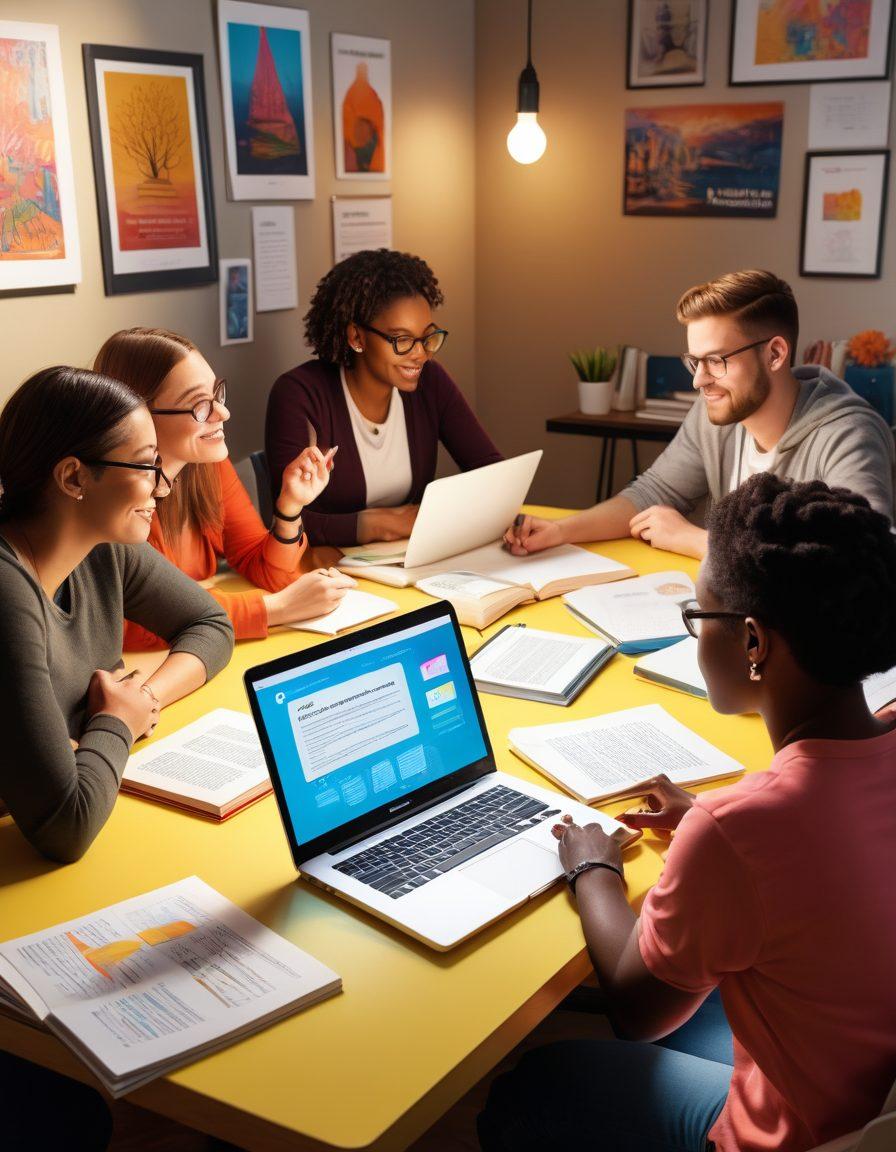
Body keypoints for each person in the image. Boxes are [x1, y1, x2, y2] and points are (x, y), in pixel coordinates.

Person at [480, 473, 896, 1152]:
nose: (695, 636)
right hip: (868, 1097)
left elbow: (637, 1010)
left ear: (754, 643)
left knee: (532, 1086)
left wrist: (594, 869)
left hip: (794, 1138)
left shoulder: (741, 830)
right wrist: (711, 822)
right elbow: (819, 850)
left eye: (698, 617)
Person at [0, 366, 234, 863]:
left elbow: (211, 625)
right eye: (146, 466)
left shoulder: (101, 543)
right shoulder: (5, 589)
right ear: (74, 477)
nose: (162, 486)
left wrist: (137, 701)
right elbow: (66, 828)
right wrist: (117, 724)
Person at [505, 269, 895, 560]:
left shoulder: (848, 435)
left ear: (775, 353)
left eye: (716, 360)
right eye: (695, 361)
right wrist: (561, 531)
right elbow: (652, 493)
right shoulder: (718, 411)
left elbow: (860, 561)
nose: (699, 381)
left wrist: (698, 541)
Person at [94, 328, 355, 647]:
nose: (223, 413)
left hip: (196, 648)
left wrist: (289, 507)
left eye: (217, 394)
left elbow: (268, 573)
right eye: (200, 406)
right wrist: (276, 608)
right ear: (139, 417)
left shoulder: (208, 466)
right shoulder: (111, 497)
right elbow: (130, 621)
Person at [265, 249, 503, 548]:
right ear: (357, 338)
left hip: (406, 560)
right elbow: (286, 517)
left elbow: (491, 473)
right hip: (324, 570)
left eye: (428, 337)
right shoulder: (299, 394)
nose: (420, 353)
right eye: (402, 340)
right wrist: (378, 525)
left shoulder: (431, 381)